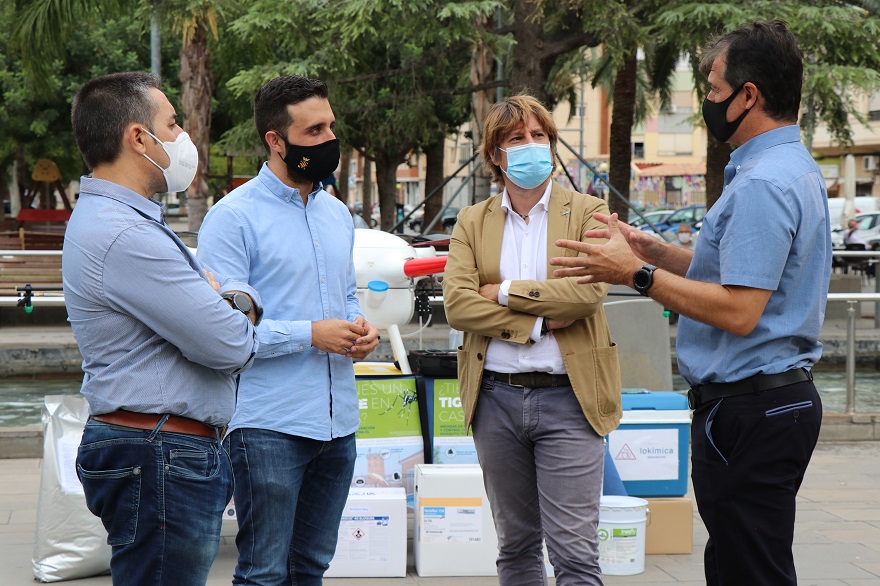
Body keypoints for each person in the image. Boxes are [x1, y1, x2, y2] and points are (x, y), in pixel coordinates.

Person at [550, 21, 829, 586]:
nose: (706, 101)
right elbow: (742, 277)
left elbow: (738, 311)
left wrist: (636, 274)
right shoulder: (790, 168)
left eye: (712, 89)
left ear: (748, 95)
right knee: (739, 561)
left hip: (751, 409)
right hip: (770, 405)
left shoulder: (761, 184)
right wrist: (656, 253)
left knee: (750, 570)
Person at [64, 72, 262, 586]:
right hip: (160, 450)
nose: (182, 137)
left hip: (156, 446)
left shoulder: (118, 221)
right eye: (172, 124)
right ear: (138, 137)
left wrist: (219, 302)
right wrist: (237, 302)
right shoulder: (126, 233)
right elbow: (230, 344)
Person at [196, 75, 380, 585]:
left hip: (338, 424)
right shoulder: (232, 218)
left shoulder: (338, 215)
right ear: (276, 141)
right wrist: (309, 334)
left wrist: (360, 329)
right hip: (267, 426)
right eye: (314, 130)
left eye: (330, 127)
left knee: (312, 567)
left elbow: (344, 296)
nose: (329, 139)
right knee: (264, 572)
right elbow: (222, 332)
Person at [442, 94, 622, 586]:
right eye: (516, 138)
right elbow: (458, 305)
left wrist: (502, 291)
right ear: (495, 154)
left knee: (575, 554)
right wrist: (537, 324)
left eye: (539, 135)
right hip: (496, 400)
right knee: (516, 548)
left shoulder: (589, 211)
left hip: (571, 399)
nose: (531, 145)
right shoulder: (472, 220)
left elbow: (587, 294)